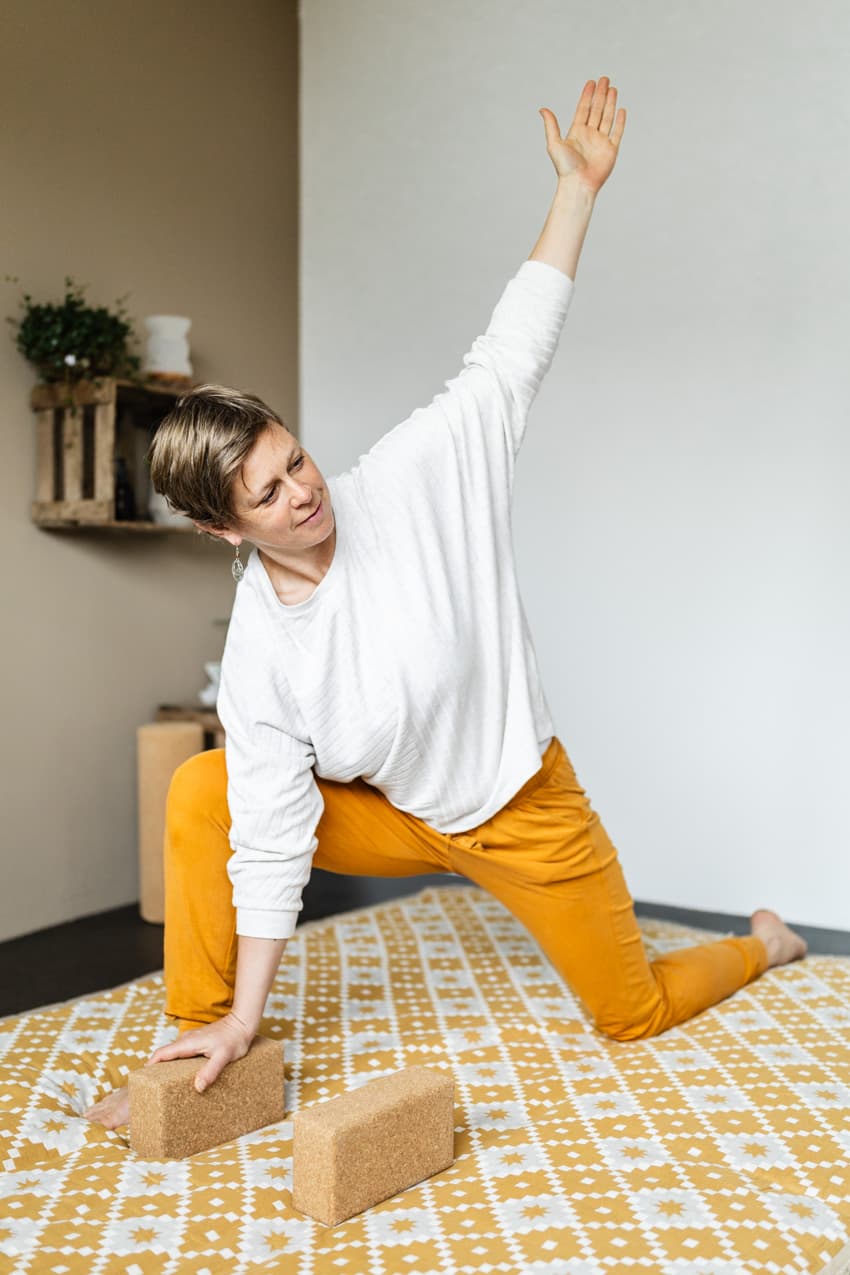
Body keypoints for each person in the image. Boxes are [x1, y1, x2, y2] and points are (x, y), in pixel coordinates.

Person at [84, 77, 805, 1131]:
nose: (305, 494)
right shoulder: (263, 655)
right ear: (222, 532)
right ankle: (209, 1052)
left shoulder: (415, 478)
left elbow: (508, 355)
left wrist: (577, 193)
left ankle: (764, 942)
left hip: (520, 805)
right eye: (269, 497)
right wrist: (244, 1013)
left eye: (297, 461)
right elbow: (274, 838)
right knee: (209, 792)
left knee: (632, 1010)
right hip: (397, 817)